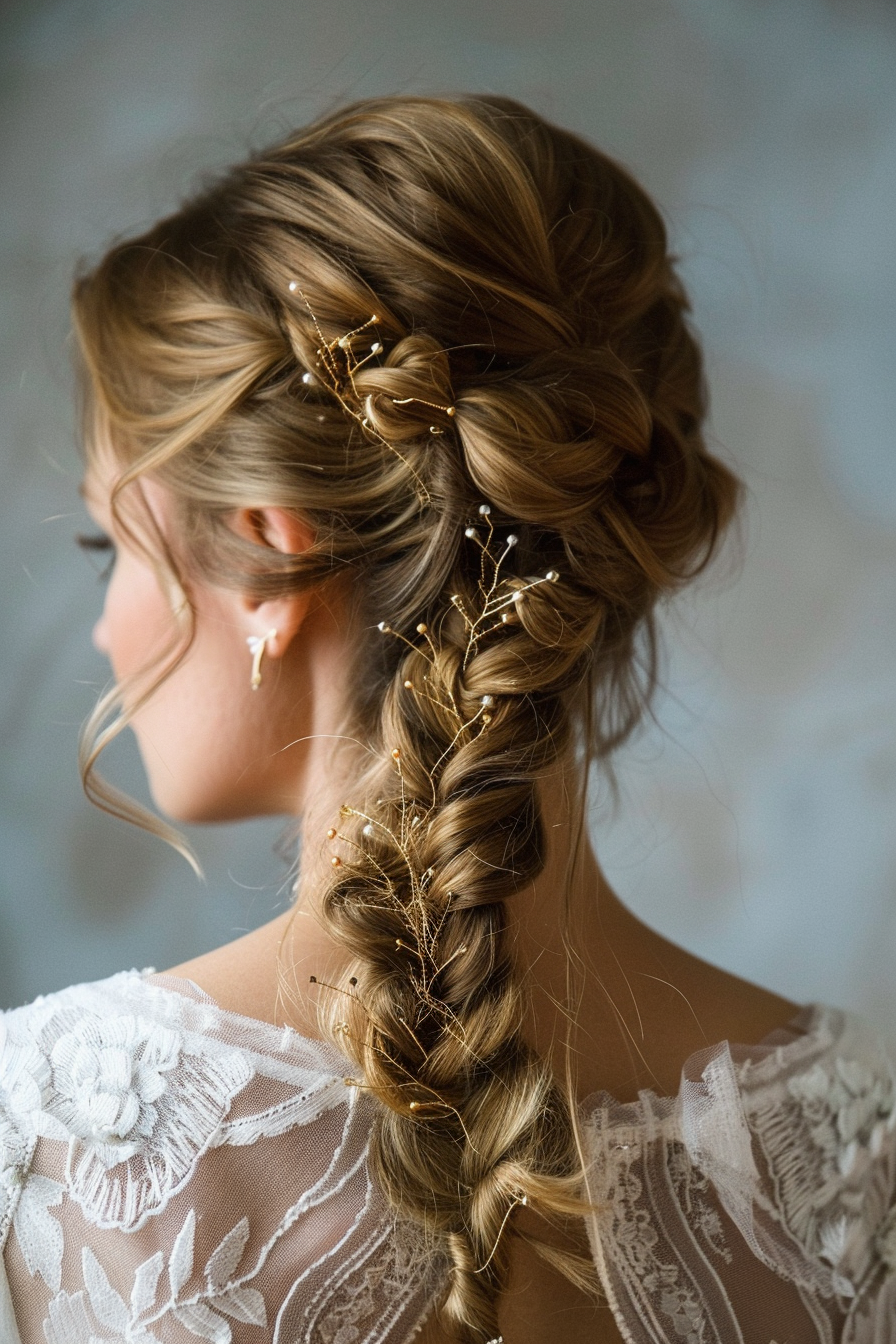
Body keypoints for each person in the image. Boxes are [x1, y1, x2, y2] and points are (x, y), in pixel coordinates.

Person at [1, 94, 894, 1344]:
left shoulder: (49, 1136)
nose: (106, 626)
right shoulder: (853, 1139)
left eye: (115, 544)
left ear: (266, 555)